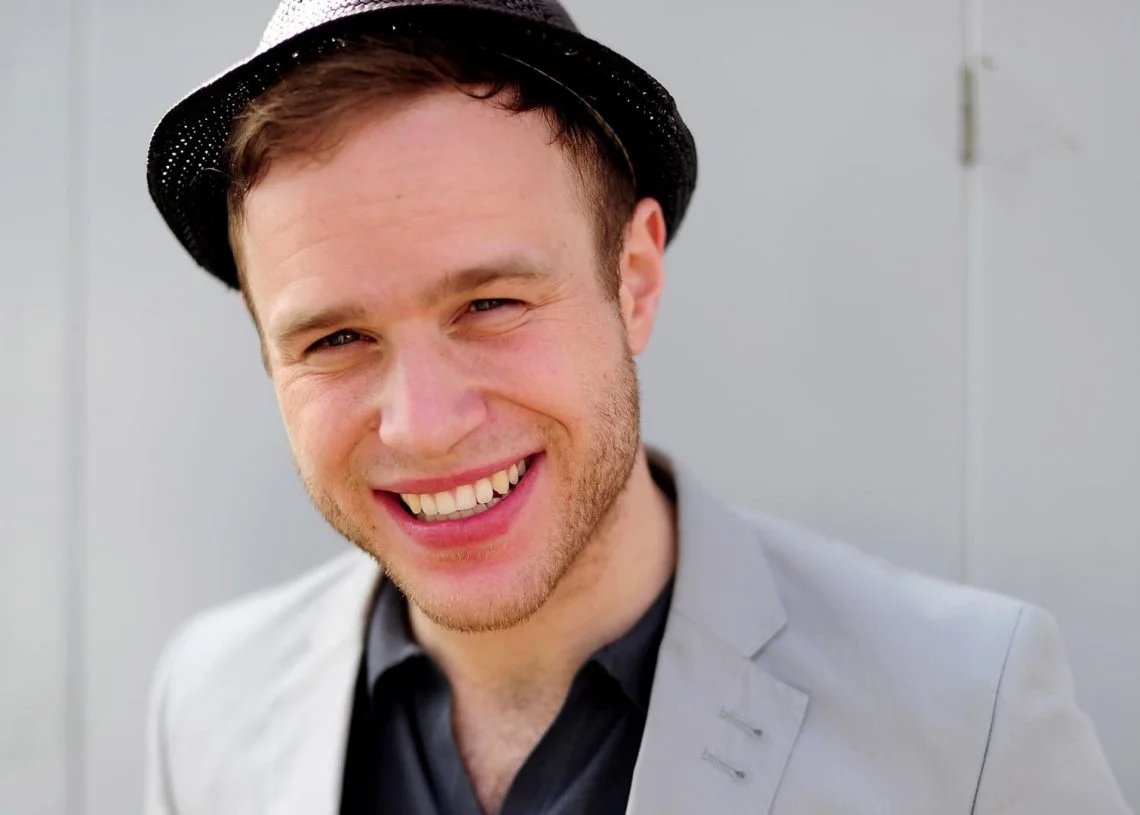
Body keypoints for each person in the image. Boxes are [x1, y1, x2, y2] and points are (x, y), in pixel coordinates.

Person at [143, 1, 1132, 813]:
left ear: (637, 277)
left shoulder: (967, 715)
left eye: (490, 304)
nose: (425, 423)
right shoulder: (205, 701)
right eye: (334, 339)